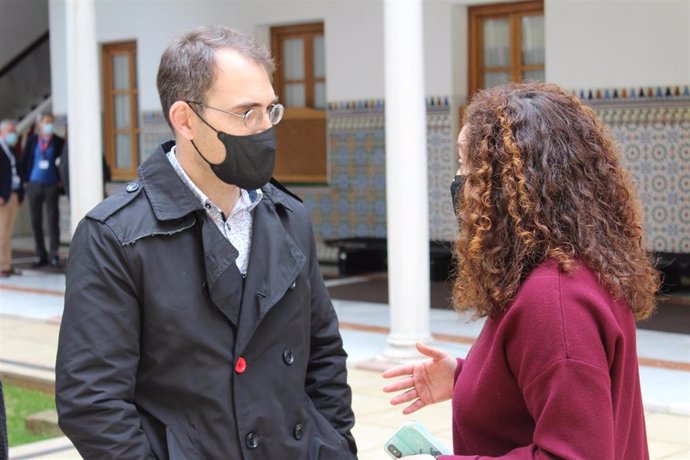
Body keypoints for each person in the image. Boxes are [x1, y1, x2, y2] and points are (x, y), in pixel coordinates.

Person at [55, 25, 357, 460]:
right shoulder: (115, 237)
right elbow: (92, 402)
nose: (262, 129)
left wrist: (334, 449)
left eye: (270, 110)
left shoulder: (290, 217)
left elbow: (324, 356)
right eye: (245, 113)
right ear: (185, 119)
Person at [383, 82, 659, 459]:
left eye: (467, 162)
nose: (459, 178)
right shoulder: (574, 269)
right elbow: (554, 388)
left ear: (507, 182)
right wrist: (467, 379)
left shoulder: (555, 302)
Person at [22, 113, 65, 267]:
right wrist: (25, 180)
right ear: (40, 124)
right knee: (36, 221)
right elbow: (25, 160)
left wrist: (61, 182)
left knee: (53, 219)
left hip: (52, 185)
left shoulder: (59, 141)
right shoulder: (33, 140)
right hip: (34, 184)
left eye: (51, 122)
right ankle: (41, 254)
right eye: (46, 122)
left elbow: (63, 162)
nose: (49, 125)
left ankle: (54, 253)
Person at [0, 119, 24, 277]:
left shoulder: (11, 149)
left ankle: (6, 265)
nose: (13, 135)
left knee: (8, 233)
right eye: (10, 131)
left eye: (14, 131)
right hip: (3, 196)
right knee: (1, 233)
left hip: (13, 194)